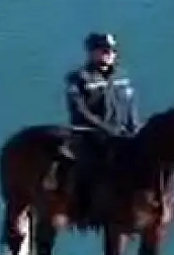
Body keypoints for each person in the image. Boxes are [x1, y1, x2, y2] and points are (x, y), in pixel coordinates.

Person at [50, 32, 141, 214]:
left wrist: (136, 129)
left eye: (112, 51)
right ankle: (81, 207)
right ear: (91, 52)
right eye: (103, 50)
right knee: (88, 166)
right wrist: (105, 129)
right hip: (89, 134)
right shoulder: (79, 78)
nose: (109, 55)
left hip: (122, 136)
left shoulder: (123, 78)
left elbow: (131, 107)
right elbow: (80, 110)